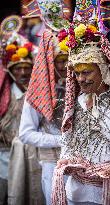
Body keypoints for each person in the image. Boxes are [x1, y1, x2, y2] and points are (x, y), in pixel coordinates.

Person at [51, 4, 110, 205]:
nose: (80, 78)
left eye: (87, 72)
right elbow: (67, 142)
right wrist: (66, 159)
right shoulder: (76, 103)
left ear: (104, 70)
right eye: (77, 73)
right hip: (76, 195)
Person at [19, 28, 68, 204]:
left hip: (82, 165)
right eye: (58, 61)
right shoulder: (38, 92)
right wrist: (60, 140)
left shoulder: (82, 86)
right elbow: (25, 133)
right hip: (52, 165)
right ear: (49, 61)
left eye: (66, 60)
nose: (63, 66)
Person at [0, 30, 38, 204]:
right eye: (18, 68)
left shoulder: (37, 96)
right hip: (3, 159)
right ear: (11, 71)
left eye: (27, 68)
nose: (23, 72)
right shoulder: (3, 96)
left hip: (31, 160)